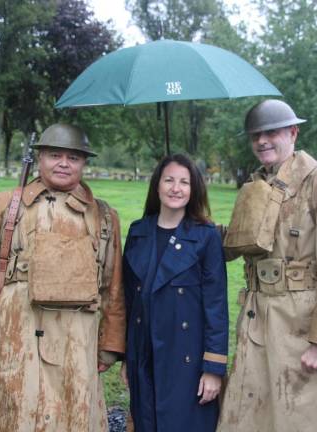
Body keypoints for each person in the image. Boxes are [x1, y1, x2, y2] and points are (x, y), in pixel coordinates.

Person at [0, 123, 126, 431]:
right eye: (55, 155)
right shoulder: (4, 206)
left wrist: (110, 344)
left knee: (74, 411)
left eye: (74, 157)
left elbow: (113, 287)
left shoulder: (104, 216)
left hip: (78, 339)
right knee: (15, 410)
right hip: (16, 335)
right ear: (40, 158)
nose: (64, 163)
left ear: (84, 163)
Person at [218, 99, 317, 432]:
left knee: (305, 420)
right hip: (257, 323)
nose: (262, 141)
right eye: (255, 135)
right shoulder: (255, 188)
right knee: (255, 417)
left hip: (303, 331)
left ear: (293, 133)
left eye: (271, 132)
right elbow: (234, 245)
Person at [122, 154, 228, 432]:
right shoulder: (138, 232)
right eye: (168, 180)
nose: (175, 188)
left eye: (184, 182)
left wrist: (213, 369)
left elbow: (216, 307)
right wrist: (128, 359)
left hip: (187, 358)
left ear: (194, 190)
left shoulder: (206, 237)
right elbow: (130, 302)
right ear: (157, 185)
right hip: (144, 354)